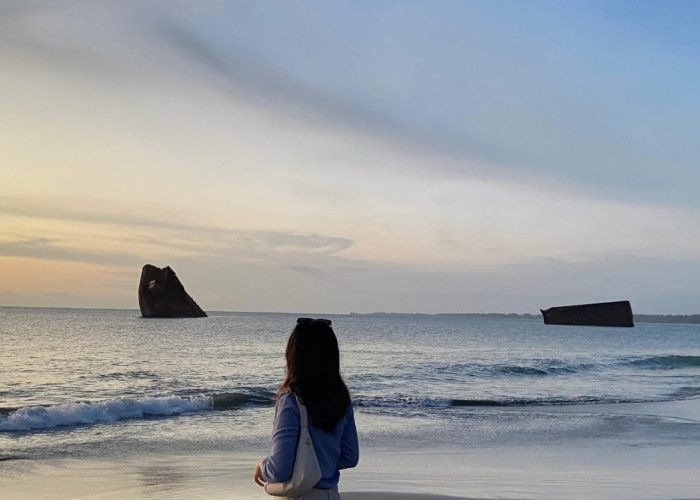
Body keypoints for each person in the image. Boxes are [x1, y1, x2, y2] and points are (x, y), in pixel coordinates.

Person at [255, 318, 359, 499]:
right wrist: (323, 464)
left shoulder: (291, 400)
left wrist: (261, 466)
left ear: (294, 355)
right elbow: (350, 456)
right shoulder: (341, 398)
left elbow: (279, 469)